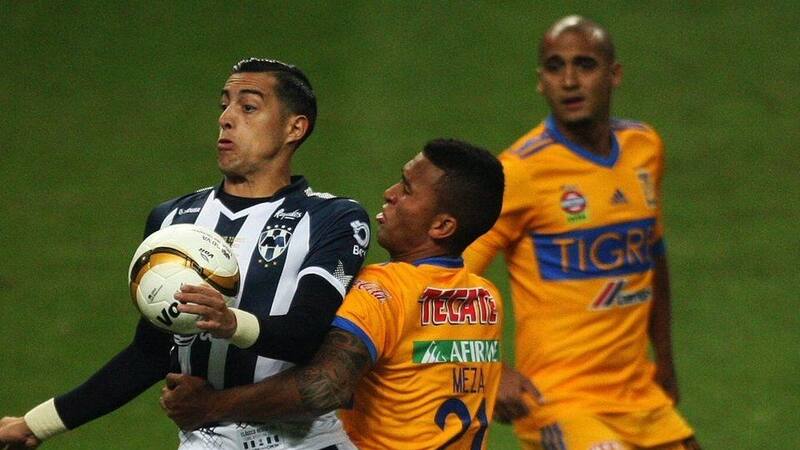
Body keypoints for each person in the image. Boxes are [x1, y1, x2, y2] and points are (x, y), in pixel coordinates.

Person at [0, 58, 370, 450]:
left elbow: (306, 334)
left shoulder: (333, 218)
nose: (226, 119)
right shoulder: (172, 221)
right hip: (208, 440)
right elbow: (150, 353)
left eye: (248, 107)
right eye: (224, 105)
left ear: (294, 128)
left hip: (308, 442)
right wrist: (34, 425)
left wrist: (231, 323)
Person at [158, 139, 507, 449]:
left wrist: (210, 406)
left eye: (407, 189)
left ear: (442, 226)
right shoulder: (486, 299)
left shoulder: (382, 291)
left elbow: (322, 389)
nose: (390, 193)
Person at [462, 15, 701, 450]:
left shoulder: (644, 147)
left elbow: (654, 258)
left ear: (615, 74)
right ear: (541, 81)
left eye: (585, 65)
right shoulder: (520, 171)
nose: (569, 81)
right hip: (558, 400)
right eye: (555, 67)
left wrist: (665, 360)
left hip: (638, 396)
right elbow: (445, 276)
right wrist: (490, 369)